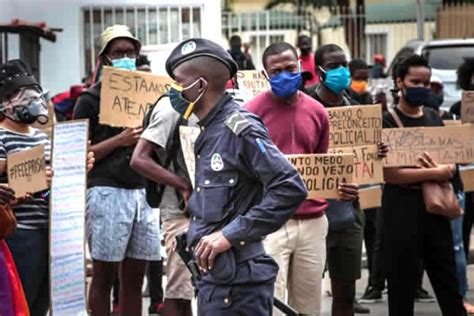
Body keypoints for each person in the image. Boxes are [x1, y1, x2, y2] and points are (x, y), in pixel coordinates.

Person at [164, 38, 307, 315]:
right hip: (215, 280)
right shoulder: (208, 132)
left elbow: (290, 188)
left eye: (180, 83)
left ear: (200, 86)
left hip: (239, 285)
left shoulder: (240, 128)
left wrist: (229, 235)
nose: (174, 91)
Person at [245, 41, 359, 316]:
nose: (284, 74)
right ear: (264, 75)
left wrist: (338, 187)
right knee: (270, 303)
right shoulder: (250, 113)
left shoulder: (318, 112)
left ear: (300, 67)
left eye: (289, 68)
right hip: (269, 221)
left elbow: (322, 165)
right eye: (276, 71)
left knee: (308, 306)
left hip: (313, 222)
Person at [73, 25, 161, 315]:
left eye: (130, 52)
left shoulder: (151, 99)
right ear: (106, 59)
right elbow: (76, 155)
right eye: (118, 53)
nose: (125, 57)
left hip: (143, 194)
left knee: (135, 278)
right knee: (104, 277)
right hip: (107, 192)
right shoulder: (89, 100)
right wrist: (120, 140)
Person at [0, 59, 95, 315]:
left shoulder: (42, 137)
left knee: (43, 301)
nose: (31, 102)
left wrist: (76, 168)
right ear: (5, 104)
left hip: (50, 232)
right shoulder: (1, 136)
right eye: (22, 96)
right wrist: (31, 173)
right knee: (22, 301)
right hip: (19, 233)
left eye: (33, 94)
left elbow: (53, 183)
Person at [307, 44, 390, 315]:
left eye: (344, 64)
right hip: (309, 215)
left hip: (348, 215)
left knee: (344, 296)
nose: (341, 71)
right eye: (333, 66)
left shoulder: (357, 110)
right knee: (306, 296)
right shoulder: (303, 107)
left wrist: (376, 152)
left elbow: (367, 161)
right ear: (318, 71)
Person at [382, 54, 466, 316]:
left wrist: (444, 170)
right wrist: (435, 171)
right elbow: (392, 176)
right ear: (400, 82)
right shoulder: (386, 121)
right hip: (401, 212)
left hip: (435, 211)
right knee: (401, 287)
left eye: (426, 82)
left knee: (448, 283)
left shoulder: (434, 117)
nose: (422, 87)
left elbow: (451, 166)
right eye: (415, 81)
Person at [130, 79, 196, 316]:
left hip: (209, 213)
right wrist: (183, 185)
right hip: (180, 214)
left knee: (191, 292)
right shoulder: (171, 108)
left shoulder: (211, 106)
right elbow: (139, 159)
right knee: (179, 293)